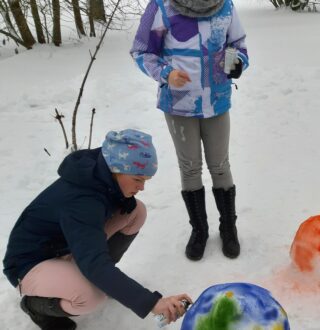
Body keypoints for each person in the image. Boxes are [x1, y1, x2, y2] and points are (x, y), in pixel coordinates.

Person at [3, 129, 191, 330]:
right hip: (30, 263)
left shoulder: (102, 173)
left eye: (145, 180)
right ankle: (34, 306)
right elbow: (94, 263)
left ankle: (104, 279)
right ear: (116, 170)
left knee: (136, 212)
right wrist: (152, 303)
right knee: (91, 297)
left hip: (65, 245)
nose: (142, 187)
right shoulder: (83, 202)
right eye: (138, 179)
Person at [130, 0, 249, 261]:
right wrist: (166, 73)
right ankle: (200, 230)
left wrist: (238, 61)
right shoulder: (162, 7)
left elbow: (238, 45)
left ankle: (228, 228)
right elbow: (141, 51)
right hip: (179, 104)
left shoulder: (225, 6)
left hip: (216, 100)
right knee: (190, 167)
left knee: (220, 165)